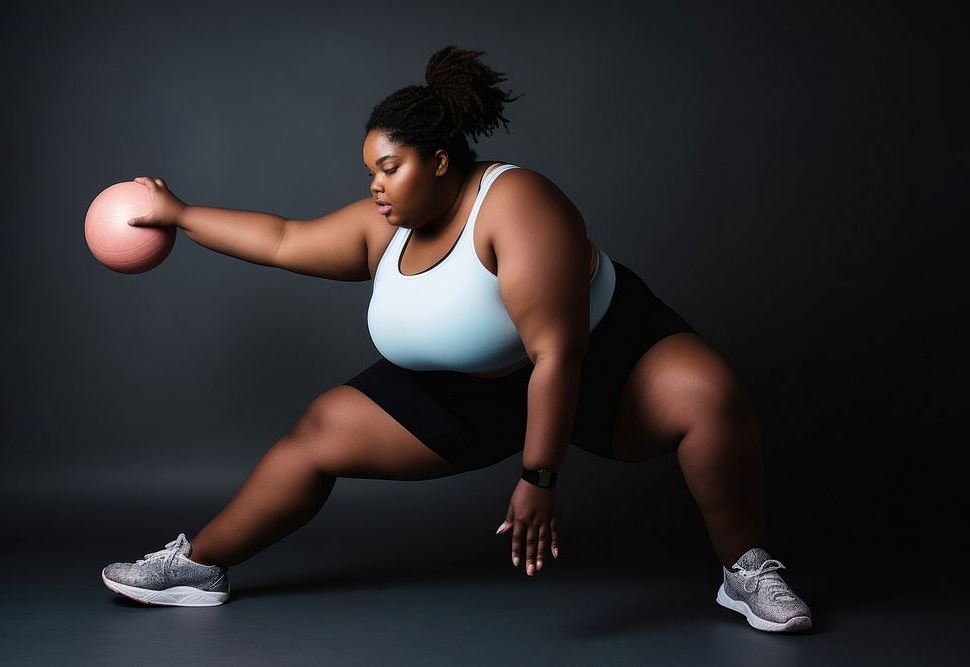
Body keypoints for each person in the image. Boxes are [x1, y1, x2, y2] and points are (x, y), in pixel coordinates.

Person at [101, 45, 813, 633]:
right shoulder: (386, 223)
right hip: (470, 392)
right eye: (370, 172)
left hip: (600, 360)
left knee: (708, 394)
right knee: (317, 430)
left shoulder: (518, 204)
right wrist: (181, 213)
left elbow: (558, 353)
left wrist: (539, 477)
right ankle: (197, 565)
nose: (376, 187)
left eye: (390, 167)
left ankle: (745, 569)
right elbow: (286, 239)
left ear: (441, 161)